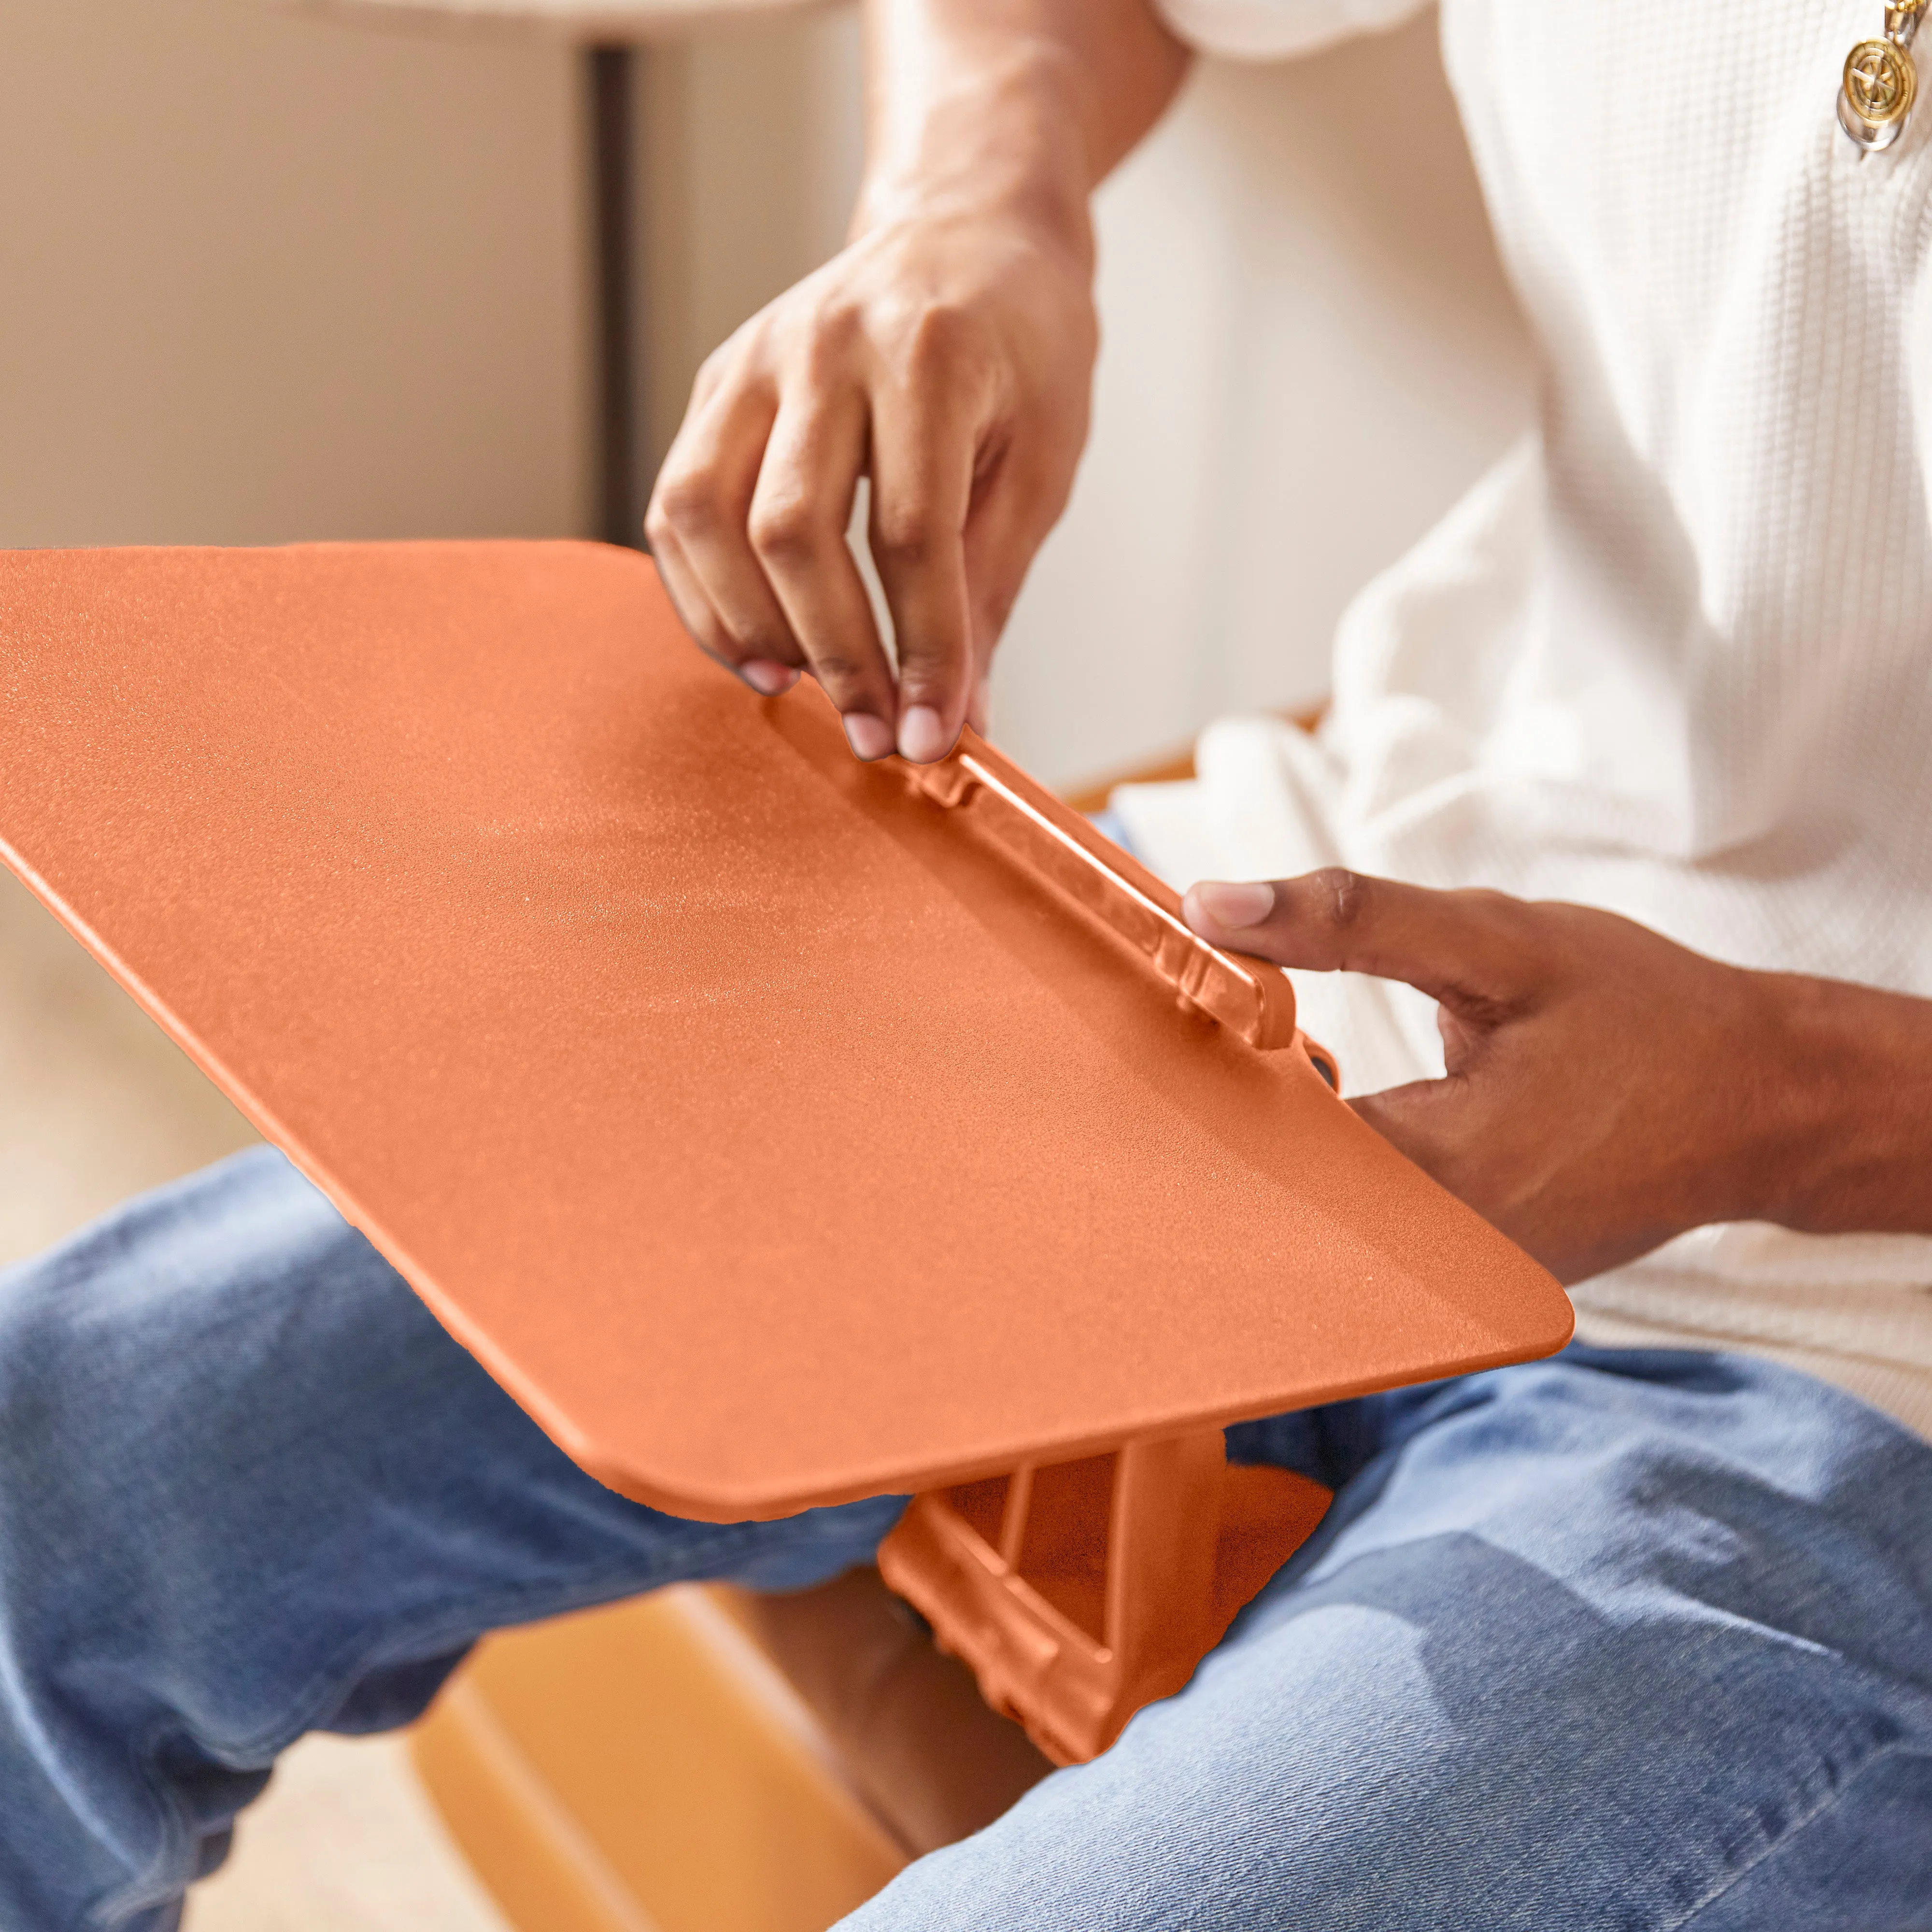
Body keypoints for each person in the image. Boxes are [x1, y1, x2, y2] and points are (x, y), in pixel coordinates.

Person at [3, 0, 1930, 1925]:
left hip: (1865, 1362)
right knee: (59, 1464)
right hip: (1290, 990)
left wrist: (1794, 1094)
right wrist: (973, 203)